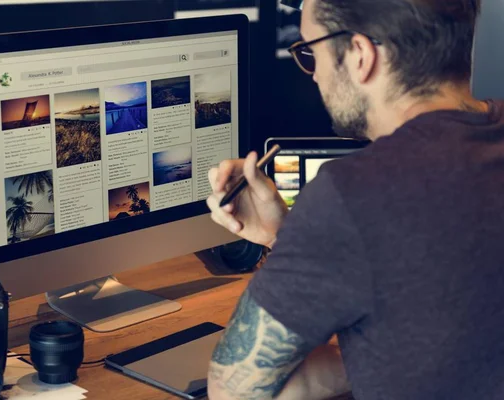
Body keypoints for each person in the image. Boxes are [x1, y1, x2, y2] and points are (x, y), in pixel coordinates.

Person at [205, 0, 504, 399]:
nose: (314, 76)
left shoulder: (355, 193)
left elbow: (233, 389)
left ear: (361, 55)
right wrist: (288, 236)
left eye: (312, 51)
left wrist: (366, 359)